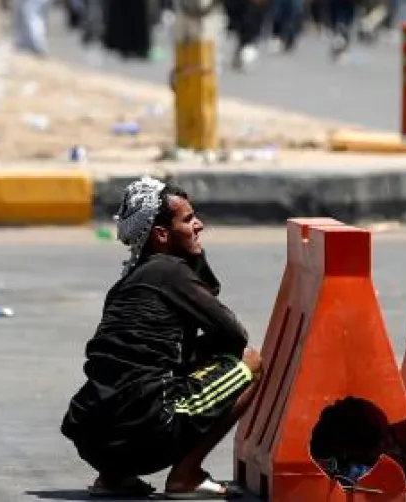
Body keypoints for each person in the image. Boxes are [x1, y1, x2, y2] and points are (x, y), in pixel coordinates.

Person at [62, 177, 262, 500]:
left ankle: (112, 478)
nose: (199, 225)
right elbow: (233, 334)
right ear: (162, 235)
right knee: (250, 362)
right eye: (188, 220)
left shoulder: (124, 286)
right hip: (147, 428)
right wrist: (195, 259)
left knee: (142, 375)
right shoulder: (170, 272)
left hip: (92, 438)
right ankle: (186, 475)